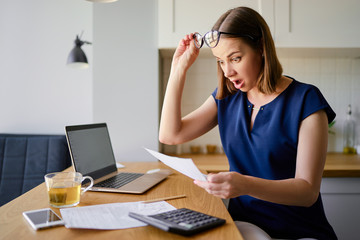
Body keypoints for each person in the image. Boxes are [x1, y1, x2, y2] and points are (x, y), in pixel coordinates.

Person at [158, 6, 337, 240]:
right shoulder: (227, 97)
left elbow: (307, 192)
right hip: (245, 229)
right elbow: (170, 135)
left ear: (261, 47)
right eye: (220, 62)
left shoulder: (306, 100)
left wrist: (244, 184)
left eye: (235, 58)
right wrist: (178, 68)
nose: (228, 71)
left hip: (298, 232)